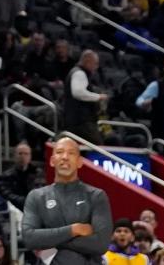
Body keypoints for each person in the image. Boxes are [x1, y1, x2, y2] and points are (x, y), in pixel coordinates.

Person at [23, 137, 112, 265]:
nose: (65, 157)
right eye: (59, 152)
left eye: (71, 153)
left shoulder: (96, 196)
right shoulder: (36, 196)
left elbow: (100, 244)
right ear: (52, 161)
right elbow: (29, 238)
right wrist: (73, 230)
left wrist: (49, 240)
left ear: (79, 162)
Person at [63, 51, 107, 145]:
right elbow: (78, 92)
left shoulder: (78, 72)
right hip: (81, 121)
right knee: (98, 147)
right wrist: (98, 97)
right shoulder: (79, 73)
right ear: (87, 61)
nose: (97, 66)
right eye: (95, 63)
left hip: (75, 120)